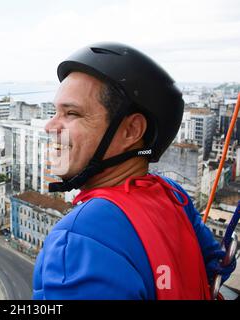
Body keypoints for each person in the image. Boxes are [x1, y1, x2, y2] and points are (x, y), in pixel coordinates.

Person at [32, 42, 236, 300]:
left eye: (71, 113)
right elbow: (213, 262)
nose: (50, 126)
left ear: (131, 131)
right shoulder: (172, 195)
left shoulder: (79, 237)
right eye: (54, 112)